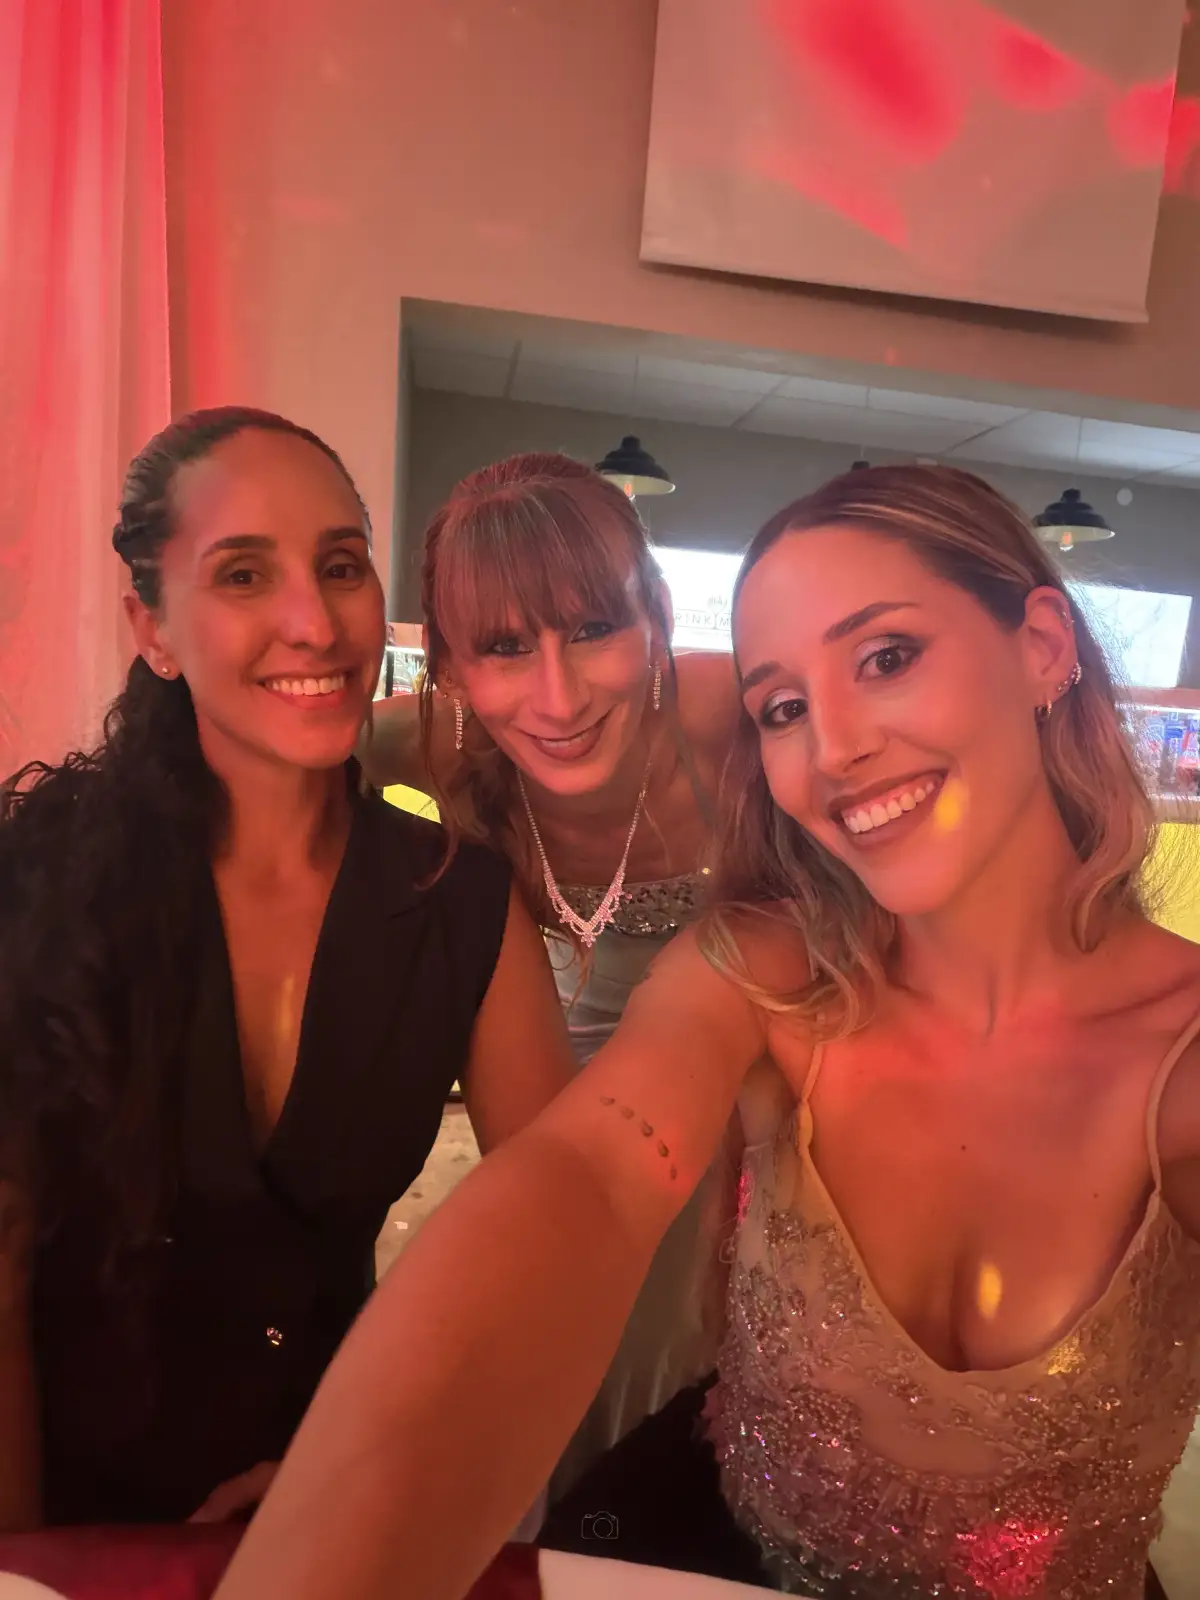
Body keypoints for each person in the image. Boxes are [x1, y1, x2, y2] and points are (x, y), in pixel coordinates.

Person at [215, 463, 1200, 1600]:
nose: (833, 747)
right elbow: (580, 1178)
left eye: (887, 657)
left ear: (1042, 646)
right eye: (785, 708)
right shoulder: (760, 973)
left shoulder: (1174, 1059)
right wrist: (336, 1518)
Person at [0, 408, 572, 1531]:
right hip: (57, 1514)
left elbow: (560, 1238)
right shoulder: (37, 880)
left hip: (340, 1500)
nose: (315, 623)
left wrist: (399, 1450)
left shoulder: (459, 899)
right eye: (244, 574)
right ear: (154, 629)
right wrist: (29, 1567)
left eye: (340, 566)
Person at [363, 453, 743, 1489]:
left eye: (593, 628)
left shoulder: (734, 722)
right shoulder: (435, 746)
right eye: (502, 647)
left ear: (657, 616)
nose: (558, 695)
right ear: (448, 665)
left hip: (733, 1097)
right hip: (539, 1095)